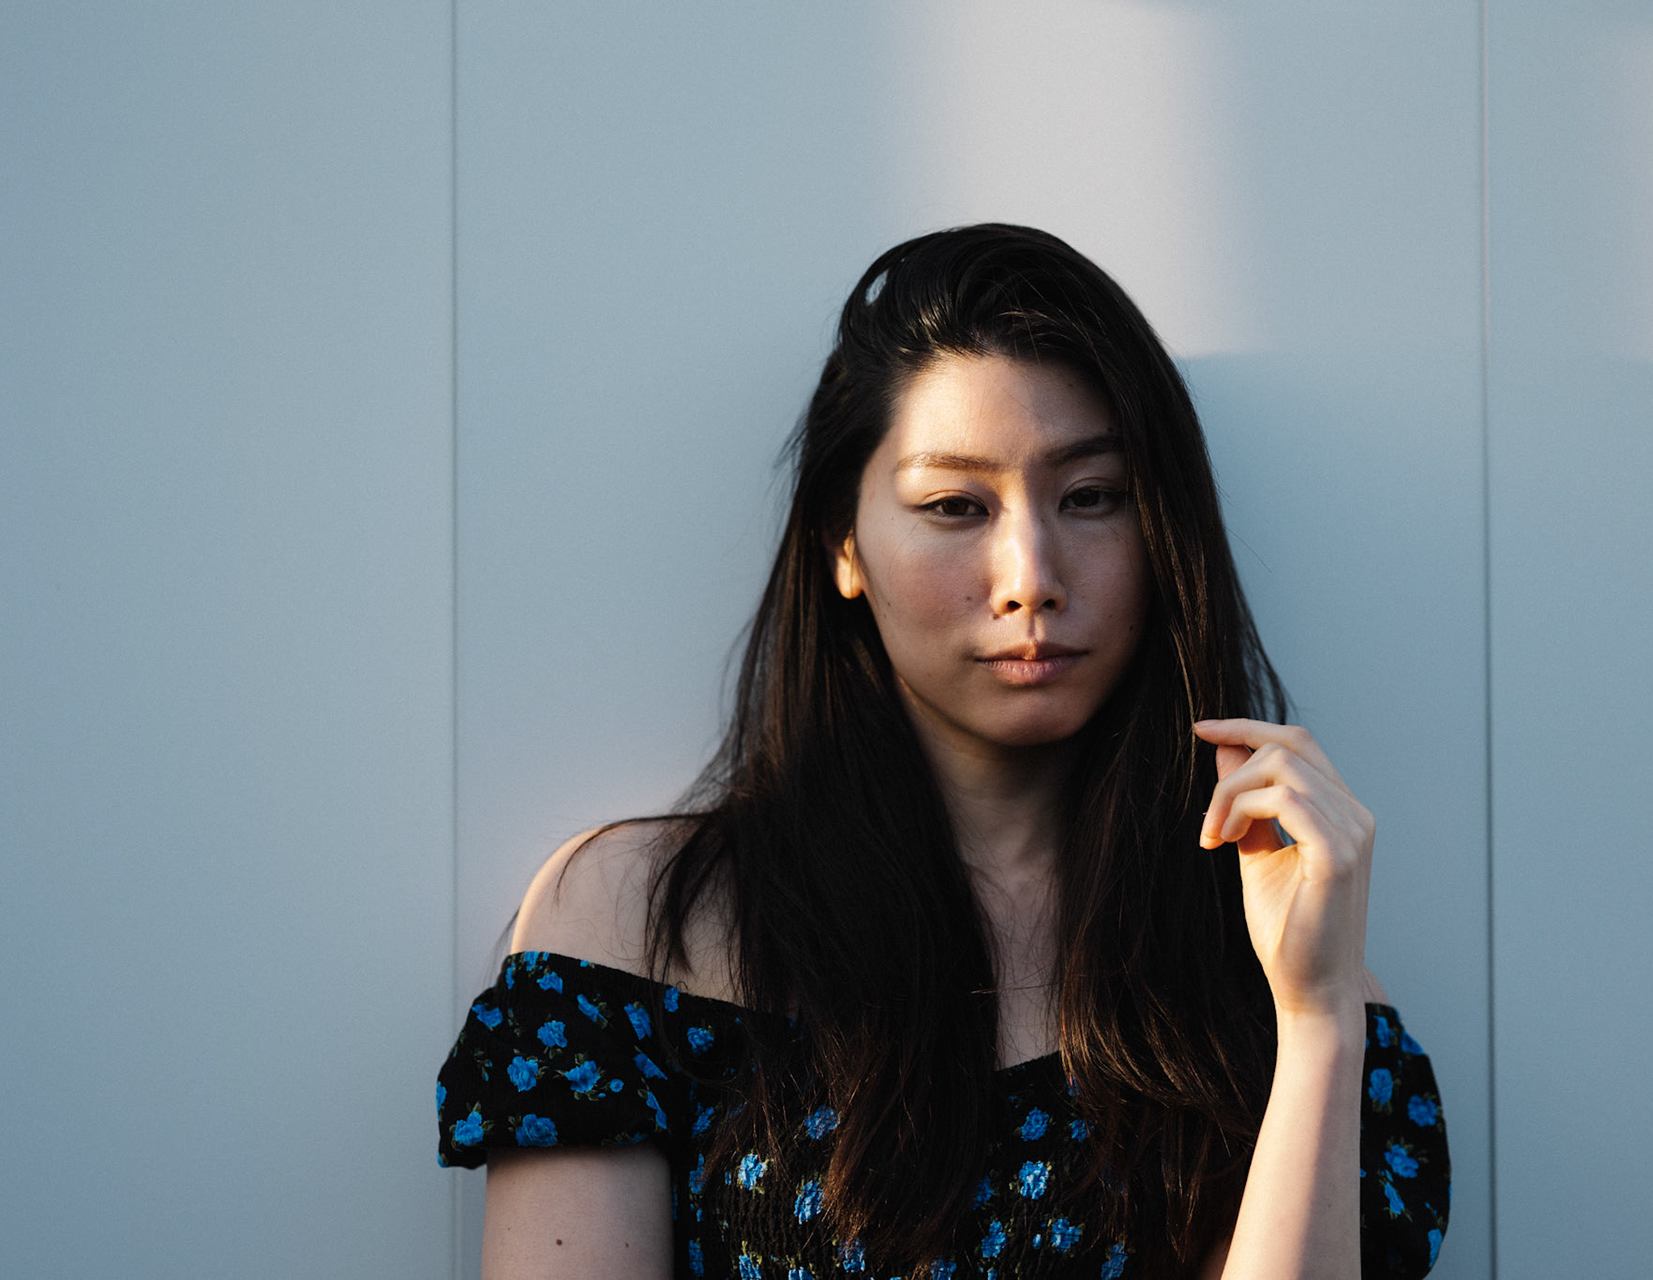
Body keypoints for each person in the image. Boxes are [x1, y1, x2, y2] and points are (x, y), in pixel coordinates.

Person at [436, 224, 1448, 1279]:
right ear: (843, 543)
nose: (1030, 576)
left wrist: (1317, 1020)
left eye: (1091, 497)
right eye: (954, 506)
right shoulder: (637, 924)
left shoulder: (1284, 973)